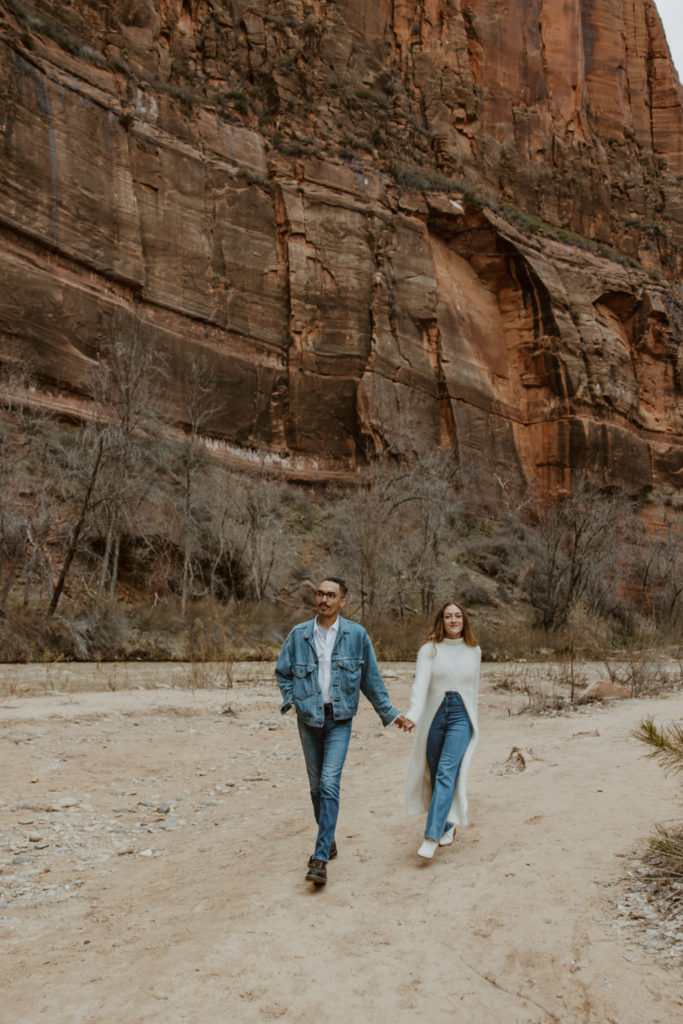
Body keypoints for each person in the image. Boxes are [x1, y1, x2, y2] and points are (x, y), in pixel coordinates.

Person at [275, 577, 407, 886]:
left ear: (342, 602)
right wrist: (291, 699)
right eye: (320, 593)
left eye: (330, 595)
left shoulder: (357, 636)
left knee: (330, 783)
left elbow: (371, 680)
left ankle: (320, 858)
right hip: (308, 719)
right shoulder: (299, 635)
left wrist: (390, 714)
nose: (323, 599)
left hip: (340, 720)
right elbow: (283, 671)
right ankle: (328, 836)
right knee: (315, 787)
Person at [403, 600, 480, 859]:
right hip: (434, 714)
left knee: (447, 772)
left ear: (464, 620)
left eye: (458, 616)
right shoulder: (429, 650)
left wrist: (473, 721)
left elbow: (474, 690)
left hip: (461, 716)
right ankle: (447, 824)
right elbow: (420, 684)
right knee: (435, 772)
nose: (454, 620)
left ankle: (431, 835)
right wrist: (413, 714)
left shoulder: (474, 650)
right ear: (442, 621)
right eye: (448, 616)